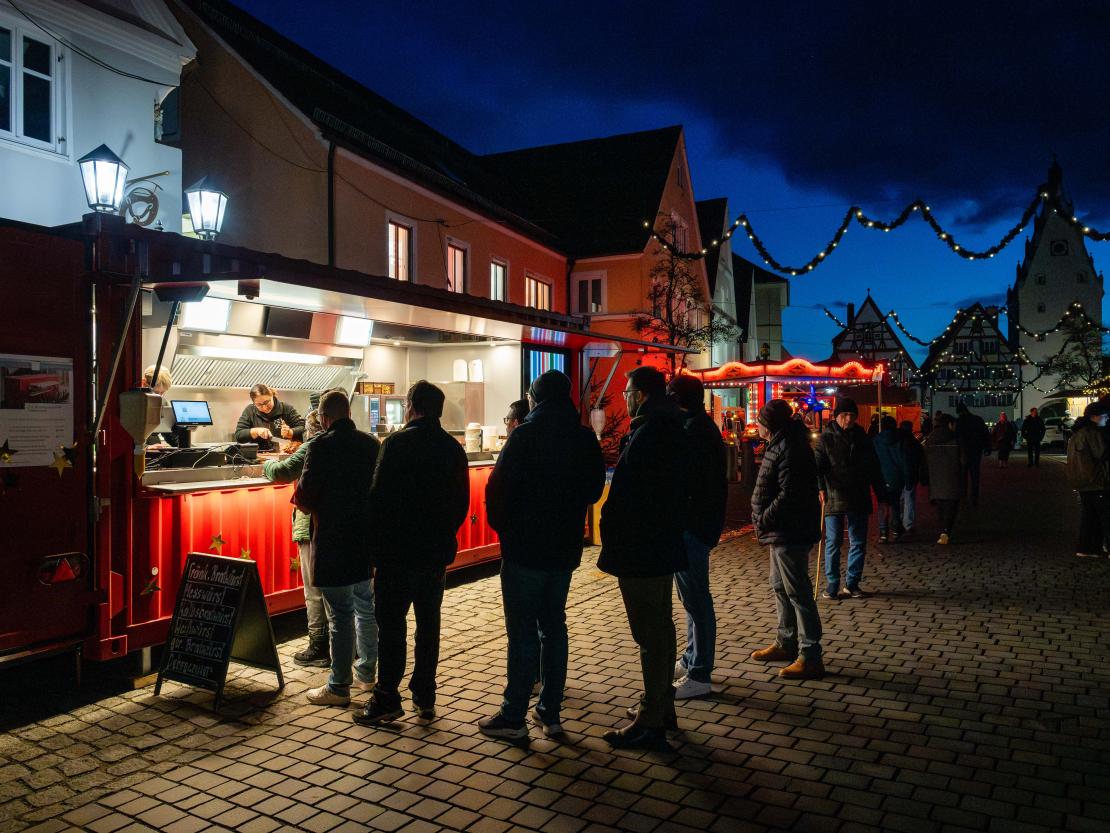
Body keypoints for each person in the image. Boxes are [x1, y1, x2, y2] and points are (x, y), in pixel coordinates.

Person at [478, 371, 605, 740]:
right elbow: (595, 488)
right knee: (554, 628)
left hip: (524, 550)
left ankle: (513, 716)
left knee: (521, 633)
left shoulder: (525, 435)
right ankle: (550, 713)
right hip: (563, 550)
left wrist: (507, 531)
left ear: (535, 398)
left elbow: (498, 488)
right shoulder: (582, 437)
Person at [357, 381, 470, 726]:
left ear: (412, 407)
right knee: (428, 624)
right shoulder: (453, 448)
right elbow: (461, 502)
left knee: (392, 627)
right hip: (434, 553)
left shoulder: (395, 444)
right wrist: (444, 535)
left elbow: (377, 499)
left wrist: (375, 550)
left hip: (397, 553)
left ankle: (388, 696)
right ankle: (425, 695)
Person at [598, 366, 688, 750]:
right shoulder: (666, 429)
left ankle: (651, 718)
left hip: (642, 547)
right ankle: (661, 706)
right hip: (656, 545)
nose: (625, 397)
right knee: (660, 629)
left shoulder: (651, 434)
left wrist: (615, 527)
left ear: (643, 394)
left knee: (649, 631)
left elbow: (639, 495)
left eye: (628, 391)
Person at [293, 390, 380, 706]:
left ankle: (339, 686)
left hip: (332, 540)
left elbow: (304, 498)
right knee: (366, 606)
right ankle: (367, 674)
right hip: (365, 540)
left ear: (324, 418)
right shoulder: (371, 444)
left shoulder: (320, 446)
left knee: (340, 614)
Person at [749, 399, 825, 679]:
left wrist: (764, 517)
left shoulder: (790, 447)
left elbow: (788, 493)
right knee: (780, 587)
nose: (756, 424)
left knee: (798, 591)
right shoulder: (780, 443)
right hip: (779, 531)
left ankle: (810, 653)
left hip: (788, 530)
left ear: (770, 425)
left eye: (760, 420)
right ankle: (786, 641)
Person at [667, 374, 727, 701]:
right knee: (692, 599)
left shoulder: (695, 433)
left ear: (678, 399)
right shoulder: (698, 428)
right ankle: (692, 660)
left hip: (694, 527)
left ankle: (700, 672)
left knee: (697, 600)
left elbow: (689, 483)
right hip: (696, 525)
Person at [264, 408, 329, 667]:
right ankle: (345, 645)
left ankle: (318, 646)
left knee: (314, 589)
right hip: (340, 525)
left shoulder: (314, 446)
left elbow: (282, 471)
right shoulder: (354, 443)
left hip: (311, 523)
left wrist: (267, 463)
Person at [814, 397, 882, 600]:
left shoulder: (862, 437)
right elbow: (817, 467)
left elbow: (873, 466)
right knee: (833, 541)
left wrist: (880, 491)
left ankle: (852, 584)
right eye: (844, 414)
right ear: (836, 416)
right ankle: (832, 584)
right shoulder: (825, 439)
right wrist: (820, 488)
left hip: (859, 494)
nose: (848, 418)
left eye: (852, 415)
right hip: (834, 494)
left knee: (858, 542)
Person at [1066, 402, 1110, 558]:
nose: (1106, 419)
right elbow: (1102, 453)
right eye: (1104, 416)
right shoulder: (1092, 433)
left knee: (1089, 516)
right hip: (1095, 480)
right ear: (1095, 417)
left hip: (1081, 481)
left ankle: (1087, 548)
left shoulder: (1076, 433)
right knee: (1105, 515)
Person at [921, 413, 962, 544]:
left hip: (936, 480)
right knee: (951, 507)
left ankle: (943, 530)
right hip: (952, 478)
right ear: (949, 424)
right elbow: (963, 459)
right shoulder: (956, 439)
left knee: (941, 507)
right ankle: (946, 530)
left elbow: (923, 461)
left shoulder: (929, 439)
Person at [235, 383, 305, 451]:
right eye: (259, 405)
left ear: (272, 396)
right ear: (254, 403)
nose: (265, 408)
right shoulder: (250, 411)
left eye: (267, 402)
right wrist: (256, 431)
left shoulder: (286, 408)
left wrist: (291, 432)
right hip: (259, 455)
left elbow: (303, 427)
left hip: (285, 454)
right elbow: (239, 435)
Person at [873, 415, 908, 542]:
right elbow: (903, 459)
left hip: (880, 477)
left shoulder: (876, 440)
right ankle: (896, 530)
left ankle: (883, 533)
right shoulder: (900, 440)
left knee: (882, 504)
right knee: (895, 504)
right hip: (896, 477)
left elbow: (873, 460)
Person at [954, 402, 990, 505]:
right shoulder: (977, 419)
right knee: (975, 475)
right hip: (976, 450)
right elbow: (985, 434)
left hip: (964, 451)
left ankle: (963, 496)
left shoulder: (959, 421)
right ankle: (974, 496)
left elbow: (957, 437)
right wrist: (987, 447)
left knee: (963, 475)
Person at [142, 365, 176, 447]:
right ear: (143, 383)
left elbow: (169, 432)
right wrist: (147, 448)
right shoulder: (133, 403)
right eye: (156, 392)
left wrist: (186, 448)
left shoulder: (163, 402)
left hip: (155, 450)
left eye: (162, 392)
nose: (160, 396)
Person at [899, 420, 923, 535]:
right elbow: (920, 458)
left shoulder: (897, 441)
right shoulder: (914, 442)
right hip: (911, 474)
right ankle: (908, 523)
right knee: (909, 499)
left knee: (900, 499)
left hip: (898, 474)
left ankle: (898, 521)